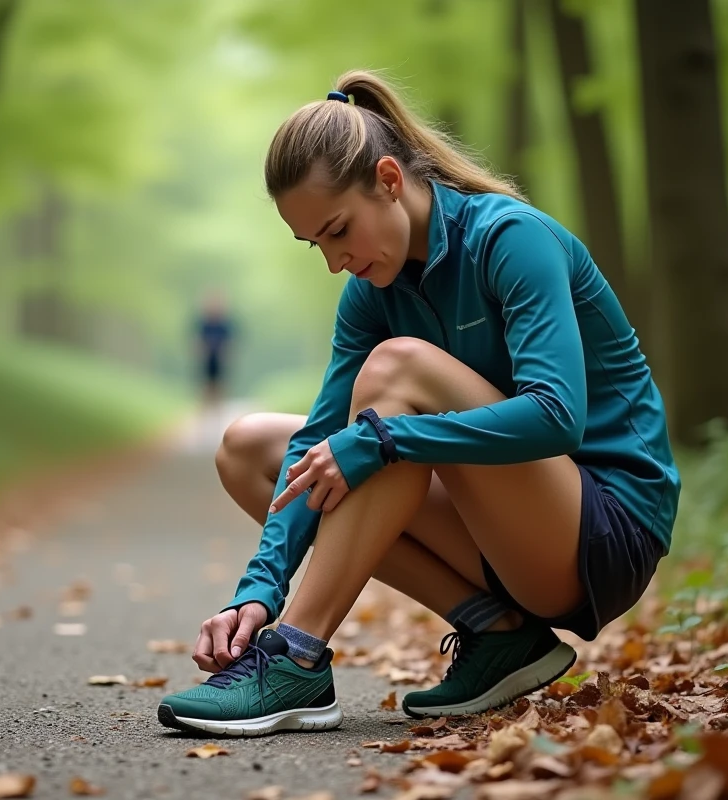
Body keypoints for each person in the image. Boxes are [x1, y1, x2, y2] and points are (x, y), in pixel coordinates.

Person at [157, 70, 680, 737]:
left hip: (602, 531)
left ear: (389, 180)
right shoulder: (372, 293)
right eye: (315, 242)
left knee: (393, 386)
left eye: (338, 230)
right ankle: (497, 635)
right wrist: (259, 590)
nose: (333, 261)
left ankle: (296, 656)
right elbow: (313, 441)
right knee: (248, 450)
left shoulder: (510, 240)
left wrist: (387, 441)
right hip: (498, 531)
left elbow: (557, 415)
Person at [195, 290, 234, 409]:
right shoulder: (203, 323)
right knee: (206, 382)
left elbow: (230, 341)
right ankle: (206, 407)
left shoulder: (224, 324)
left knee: (220, 382)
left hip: (220, 357)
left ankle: (219, 406)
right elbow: (197, 340)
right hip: (207, 357)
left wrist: (228, 355)